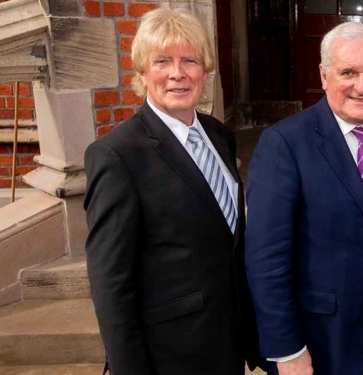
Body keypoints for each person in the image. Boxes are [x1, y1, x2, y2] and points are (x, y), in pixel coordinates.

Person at [83, 8, 258, 375]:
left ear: (205, 71)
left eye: (189, 60)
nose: (177, 73)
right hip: (170, 354)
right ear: (143, 73)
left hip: (227, 342)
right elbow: (112, 283)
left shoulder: (219, 136)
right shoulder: (117, 155)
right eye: (162, 61)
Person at [244, 22, 363, 375]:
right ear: (325, 77)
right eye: (348, 72)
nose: (362, 85)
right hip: (321, 339)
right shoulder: (284, 144)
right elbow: (266, 260)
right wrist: (286, 349)